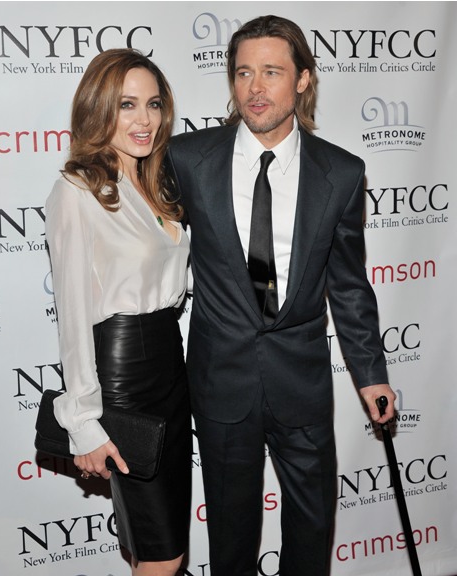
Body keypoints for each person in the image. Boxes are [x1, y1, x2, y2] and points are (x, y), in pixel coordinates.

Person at [167, 15, 396, 576]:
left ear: (303, 80)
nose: (255, 87)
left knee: (312, 529)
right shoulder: (188, 158)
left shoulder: (342, 172)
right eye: (244, 72)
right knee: (230, 535)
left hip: (303, 381)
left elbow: (348, 284)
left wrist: (371, 375)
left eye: (271, 72)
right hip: (222, 381)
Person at [45, 49, 191, 576]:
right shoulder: (77, 191)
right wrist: (85, 422)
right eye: (127, 104)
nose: (144, 119)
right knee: (162, 554)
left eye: (153, 104)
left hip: (172, 368)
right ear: (98, 108)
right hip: (124, 377)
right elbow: (73, 315)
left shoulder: (159, 186)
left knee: (159, 550)